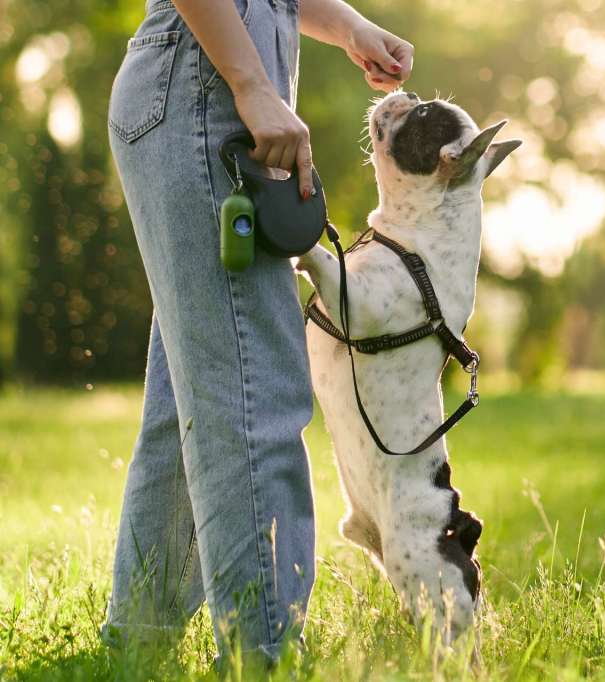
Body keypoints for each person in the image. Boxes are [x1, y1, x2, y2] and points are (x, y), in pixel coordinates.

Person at [101, 0, 412, 664]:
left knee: (193, 397)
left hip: (202, 84)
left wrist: (349, 28)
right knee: (253, 391)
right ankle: (262, 654)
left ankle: (138, 646)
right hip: (203, 90)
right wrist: (250, 86)